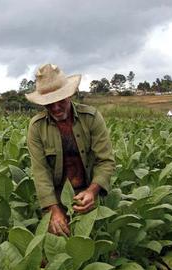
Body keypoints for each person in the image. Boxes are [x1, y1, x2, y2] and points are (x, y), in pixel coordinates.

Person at [25, 64, 115, 236]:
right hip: (55, 197)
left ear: (69, 94)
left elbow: (105, 161)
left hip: (88, 190)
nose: (56, 108)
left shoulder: (91, 118)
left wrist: (92, 191)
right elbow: (40, 171)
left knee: (93, 243)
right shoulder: (36, 127)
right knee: (55, 249)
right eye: (50, 104)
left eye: (61, 101)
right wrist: (53, 209)